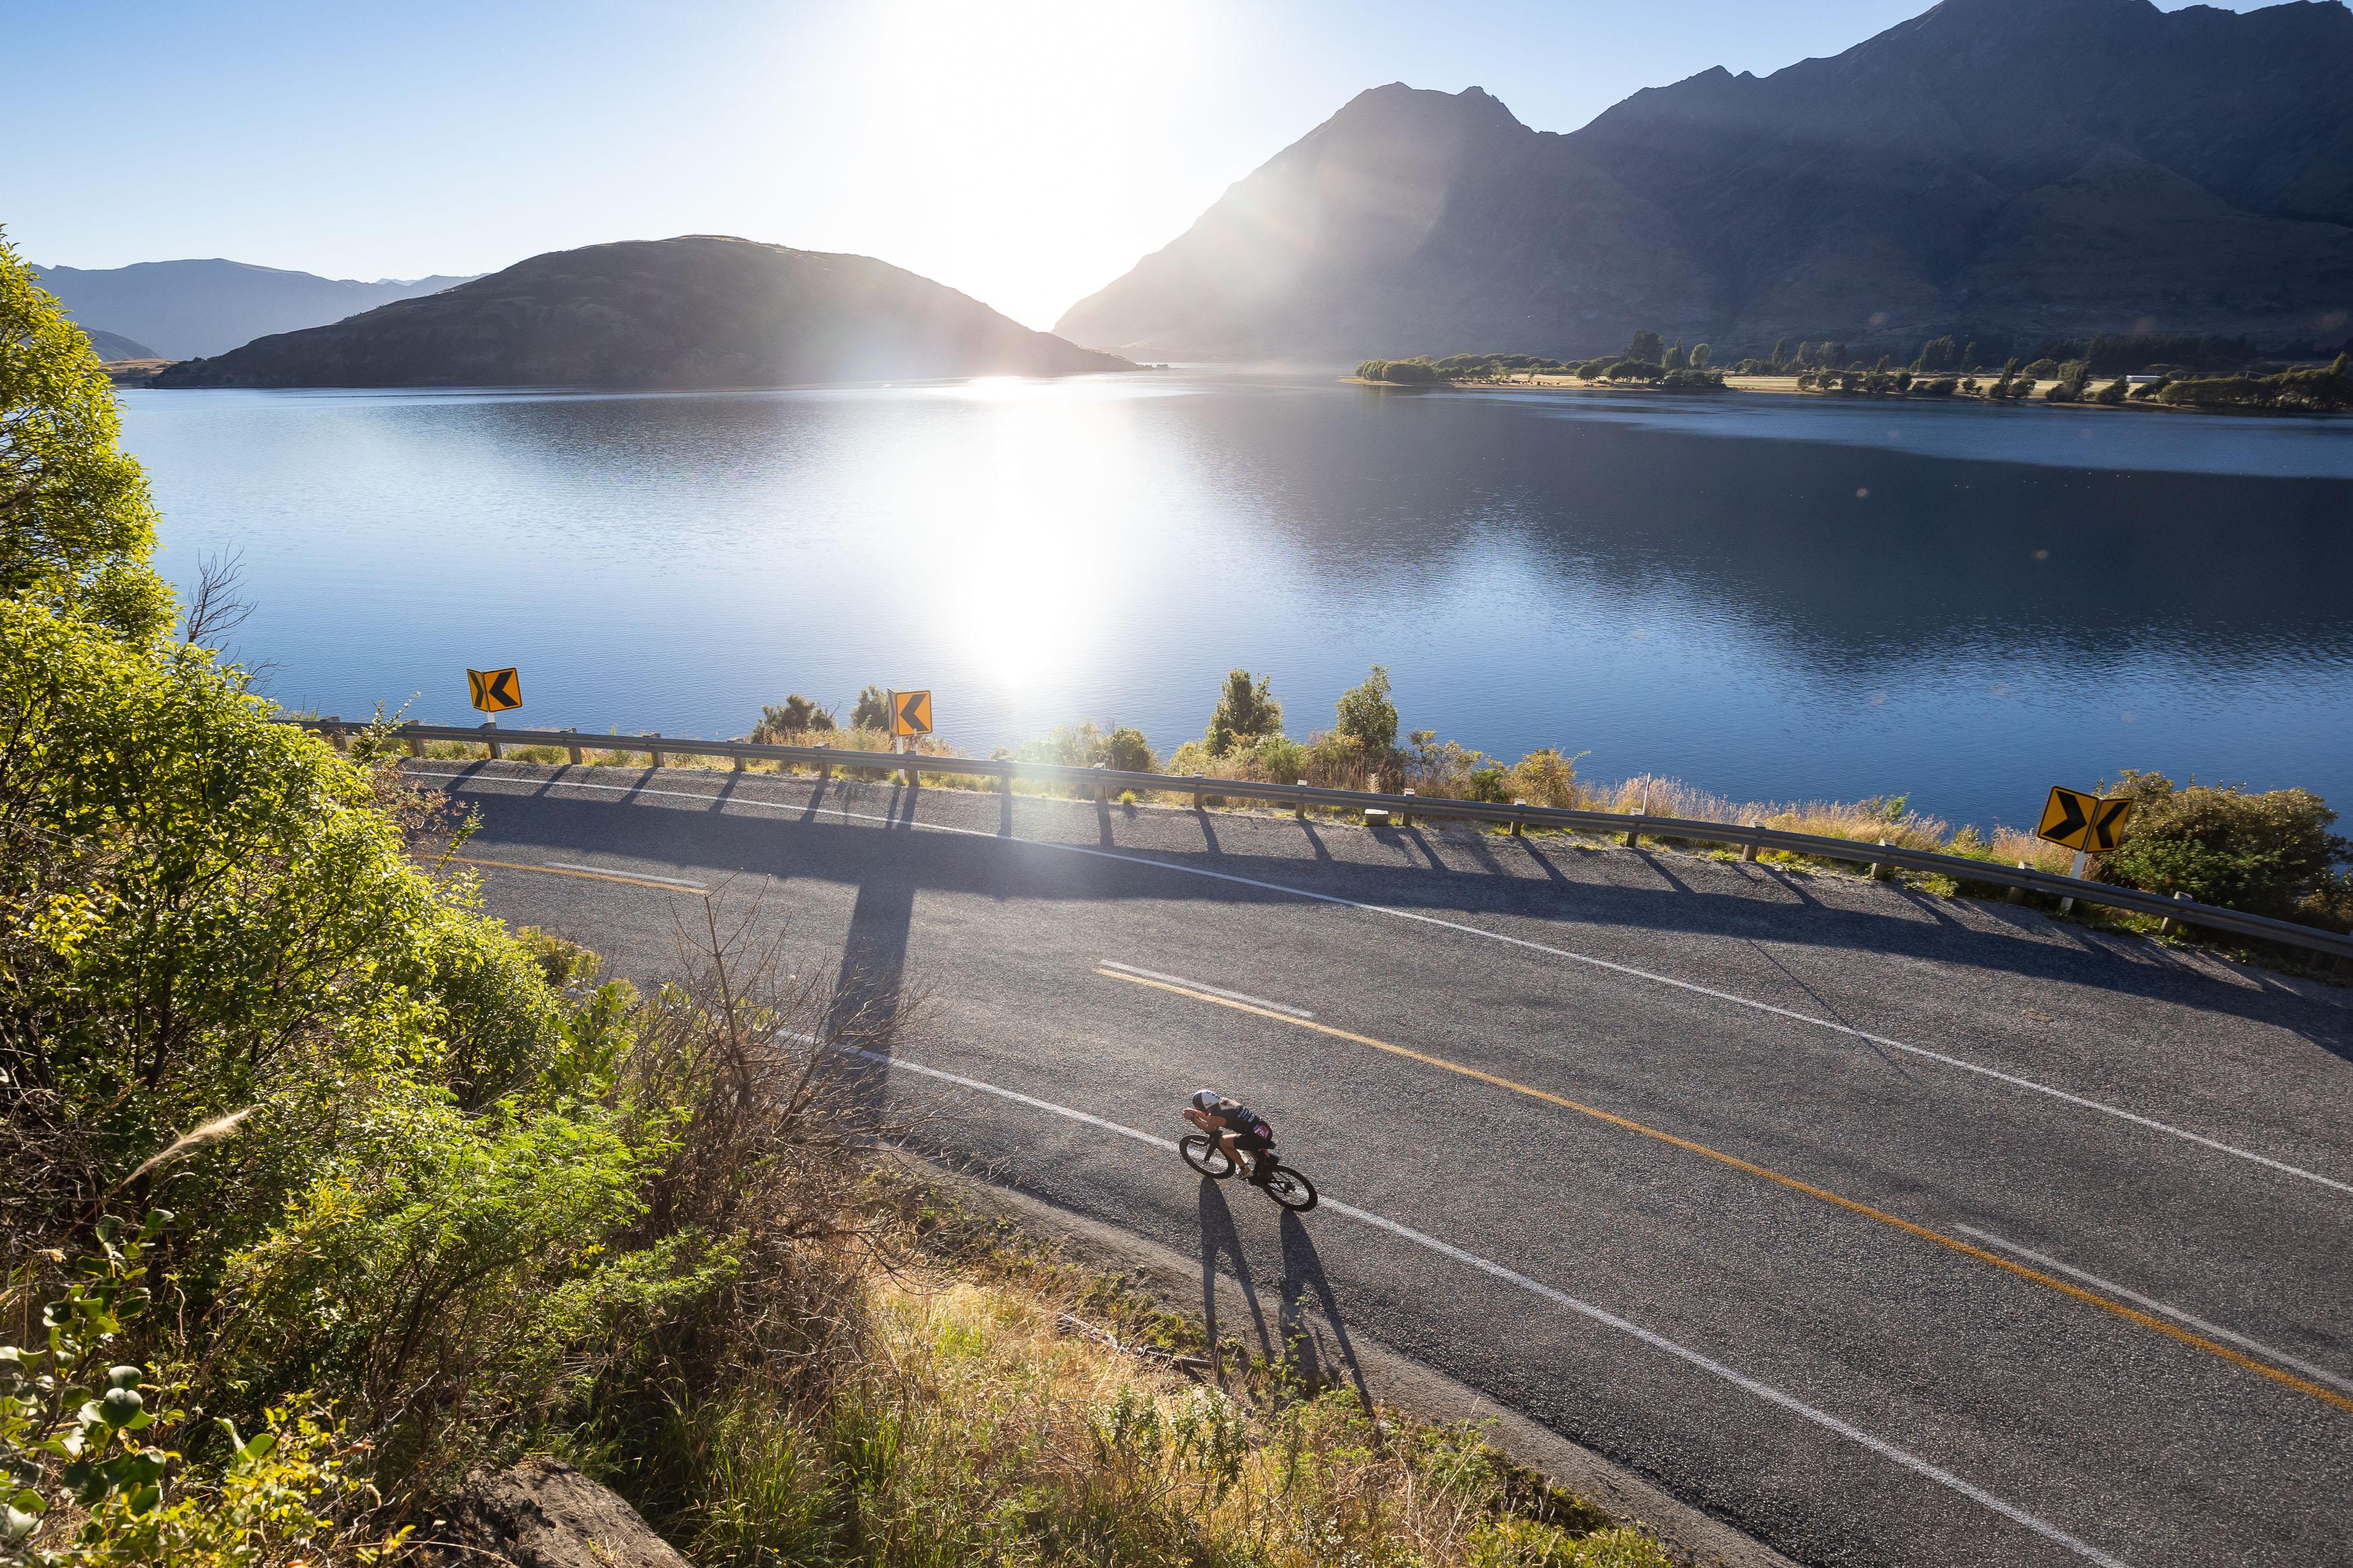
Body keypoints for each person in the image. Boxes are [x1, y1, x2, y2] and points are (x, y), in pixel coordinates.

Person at [1184, 1089, 1278, 1184]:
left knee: (1223, 1142)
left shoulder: (1216, 1116)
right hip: (1264, 1129)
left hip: (1255, 1138)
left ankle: (1245, 1170)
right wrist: (1195, 1113)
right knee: (1244, 1142)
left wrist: (1192, 1118)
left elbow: (1210, 1129)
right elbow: (1213, 1119)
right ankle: (1265, 1164)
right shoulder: (1225, 1101)